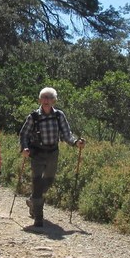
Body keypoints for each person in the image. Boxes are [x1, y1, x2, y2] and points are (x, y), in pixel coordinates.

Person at [18, 87, 85, 229]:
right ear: (40, 100)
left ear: (54, 100)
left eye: (49, 97)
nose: (46, 100)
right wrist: (24, 148)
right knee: (37, 182)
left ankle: (33, 201)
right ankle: (38, 217)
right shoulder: (33, 116)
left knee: (48, 181)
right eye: (44, 97)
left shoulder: (59, 115)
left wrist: (75, 142)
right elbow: (23, 134)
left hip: (53, 152)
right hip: (37, 153)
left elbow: (67, 134)